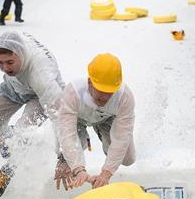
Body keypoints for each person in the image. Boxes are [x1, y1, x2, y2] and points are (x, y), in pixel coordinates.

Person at [0, 31, 64, 199]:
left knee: (23, 135)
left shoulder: (42, 75)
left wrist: (64, 154)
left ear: (21, 54)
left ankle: (8, 170)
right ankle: (8, 135)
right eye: (0, 63)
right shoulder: (3, 44)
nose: (5, 68)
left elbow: (60, 116)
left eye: (10, 62)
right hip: (13, 88)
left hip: (39, 98)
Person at [56, 54, 136, 190]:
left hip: (106, 119)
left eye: (110, 92)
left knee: (128, 159)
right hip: (78, 121)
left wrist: (106, 173)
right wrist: (78, 169)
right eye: (101, 90)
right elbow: (66, 132)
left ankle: (104, 138)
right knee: (71, 153)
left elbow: (122, 138)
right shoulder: (73, 92)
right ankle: (66, 158)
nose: (105, 97)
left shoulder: (125, 98)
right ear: (89, 82)